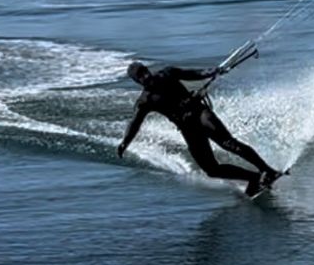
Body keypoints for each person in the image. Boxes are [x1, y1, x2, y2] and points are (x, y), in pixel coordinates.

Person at [117, 61, 282, 196]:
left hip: (200, 113)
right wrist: (125, 142)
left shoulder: (167, 74)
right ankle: (255, 178)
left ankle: (268, 171)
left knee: (228, 143)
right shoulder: (145, 101)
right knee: (211, 169)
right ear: (137, 81)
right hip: (187, 128)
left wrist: (214, 71)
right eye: (140, 76)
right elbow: (135, 123)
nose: (145, 76)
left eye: (145, 71)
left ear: (148, 69)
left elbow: (194, 73)